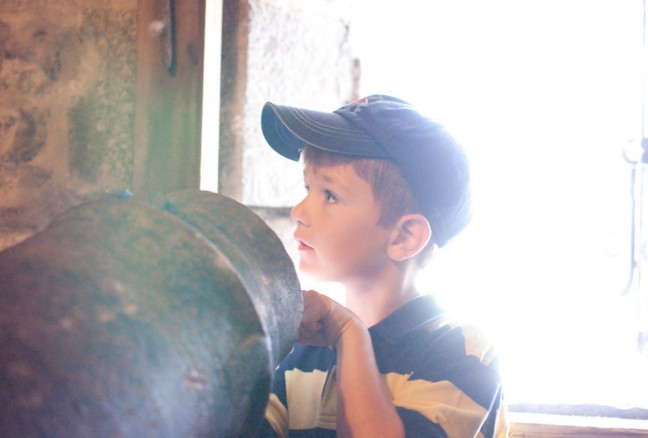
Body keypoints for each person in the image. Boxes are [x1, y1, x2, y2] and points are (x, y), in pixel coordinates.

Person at [256, 95, 507, 437]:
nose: (298, 211)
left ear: (405, 236)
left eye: (329, 195)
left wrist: (350, 334)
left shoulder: (461, 353)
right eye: (307, 188)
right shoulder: (302, 352)